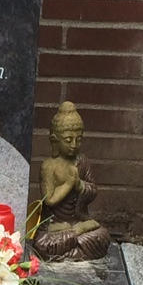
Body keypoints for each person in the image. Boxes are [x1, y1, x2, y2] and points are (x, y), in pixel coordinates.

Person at [32, 101, 110, 261]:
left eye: (78, 139)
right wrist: (69, 184)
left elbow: (93, 190)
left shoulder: (82, 161)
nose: (74, 145)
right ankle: (77, 237)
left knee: (102, 236)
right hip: (54, 227)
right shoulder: (49, 166)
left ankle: (71, 247)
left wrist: (80, 185)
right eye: (68, 140)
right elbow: (49, 200)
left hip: (78, 219)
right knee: (42, 245)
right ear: (54, 140)